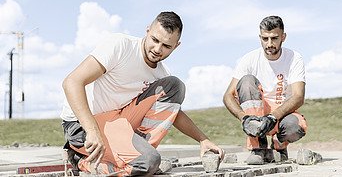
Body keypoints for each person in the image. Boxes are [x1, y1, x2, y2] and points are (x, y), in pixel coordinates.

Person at [61, 11, 224, 176]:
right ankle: (83, 162)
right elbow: (72, 82)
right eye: (155, 40)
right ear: (147, 30)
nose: (157, 49)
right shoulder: (120, 46)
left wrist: (203, 140)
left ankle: (137, 155)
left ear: (176, 46)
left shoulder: (160, 73)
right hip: (82, 126)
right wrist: (92, 130)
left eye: (166, 46)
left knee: (174, 86)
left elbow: (174, 113)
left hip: (118, 120)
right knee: (148, 163)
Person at [223, 15, 307, 165]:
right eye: (265, 39)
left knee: (297, 126)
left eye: (274, 38)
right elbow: (228, 96)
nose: (269, 44)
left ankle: (279, 146)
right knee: (247, 81)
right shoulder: (249, 59)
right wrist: (244, 118)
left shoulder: (294, 58)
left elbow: (298, 96)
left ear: (283, 37)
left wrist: (272, 117)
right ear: (260, 37)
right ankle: (258, 148)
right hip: (257, 113)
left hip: (281, 113)